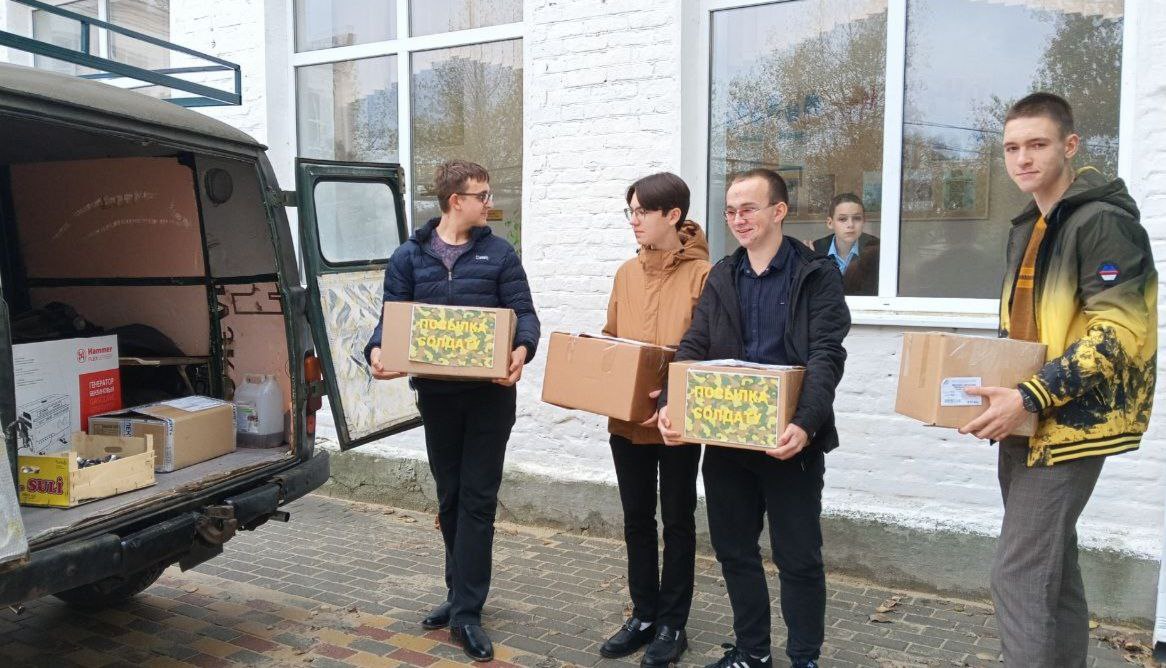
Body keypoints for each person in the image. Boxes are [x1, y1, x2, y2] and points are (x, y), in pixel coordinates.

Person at [959, 92, 1156, 667]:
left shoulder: (1104, 224)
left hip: (1068, 424)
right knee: (1055, 571)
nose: (1022, 158)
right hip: (1024, 420)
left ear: (1070, 146)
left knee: (1018, 575)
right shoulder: (1031, 225)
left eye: (1037, 144)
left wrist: (1030, 395)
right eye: (1011, 148)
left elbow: (1120, 332)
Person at [657, 168, 850, 668]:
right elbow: (695, 344)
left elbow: (827, 355)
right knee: (735, 552)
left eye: (748, 209)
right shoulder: (723, 274)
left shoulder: (816, 274)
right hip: (727, 441)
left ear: (778, 211)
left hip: (790, 443)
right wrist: (671, 404)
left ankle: (804, 657)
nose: (738, 219)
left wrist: (805, 423)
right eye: (730, 211)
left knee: (798, 557)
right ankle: (752, 651)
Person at [364, 160, 540, 663]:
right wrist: (375, 351)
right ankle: (458, 591)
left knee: (477, 501)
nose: (490, 203)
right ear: (455, 200)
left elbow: (525, 315)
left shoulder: (499, 253)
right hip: (438, 398)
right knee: (450, 497)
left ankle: (467, 612)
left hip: (489, 399)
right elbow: (391, 319)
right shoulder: (409, 257)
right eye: (482, 195)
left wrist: (521, 351)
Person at [598, 173, 711, 667]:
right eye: (631, 211)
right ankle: (643, 614)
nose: (635, 220)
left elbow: (710, 350)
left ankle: (672, 624)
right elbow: (611, 336)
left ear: (673, 215)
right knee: (636, 518)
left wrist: (671, 396)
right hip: (627, 420)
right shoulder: (626, 273)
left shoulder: (705, 275)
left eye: (642, 211)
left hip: (677, 422)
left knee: (678, 521)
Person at [811, 193, 880, 295]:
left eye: (857, 218)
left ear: (864, 221)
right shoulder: (815, 250)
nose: (850, 225)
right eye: (842, 219)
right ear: (830, 223)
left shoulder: (876, 248)